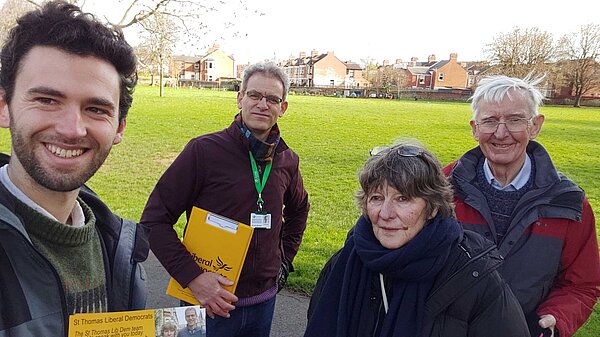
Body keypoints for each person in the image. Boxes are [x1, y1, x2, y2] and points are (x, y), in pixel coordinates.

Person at [0, 1, 147, 336]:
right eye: (47, 100)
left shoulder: (119, 250)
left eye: (96, 108)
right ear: (4, 108)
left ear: (119, 127)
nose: (72, 129)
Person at [141, 62, 310, 337]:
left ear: (283, 108)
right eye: (254, 95)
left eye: (272, 99)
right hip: (206, 304)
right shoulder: (204, 151)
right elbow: (154, 221)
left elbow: (299, 209)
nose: (262, 105)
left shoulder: (286, 160)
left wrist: (283, 260)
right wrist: (193, 278)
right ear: (240, 97)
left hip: (262, 303)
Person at [305, 141, 529, 337]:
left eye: (403, 198)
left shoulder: (472, 275)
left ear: (432, 207)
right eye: (376, 198)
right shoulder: (343, 262)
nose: (385, 213)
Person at [444, 75, 600, 337]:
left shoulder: (568, 203)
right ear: (474, 128)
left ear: (535, 126)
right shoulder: (439, 190)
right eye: (490, 121)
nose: (501, 133)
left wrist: (555, 318)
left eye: (515, 120)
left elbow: (582, 284)